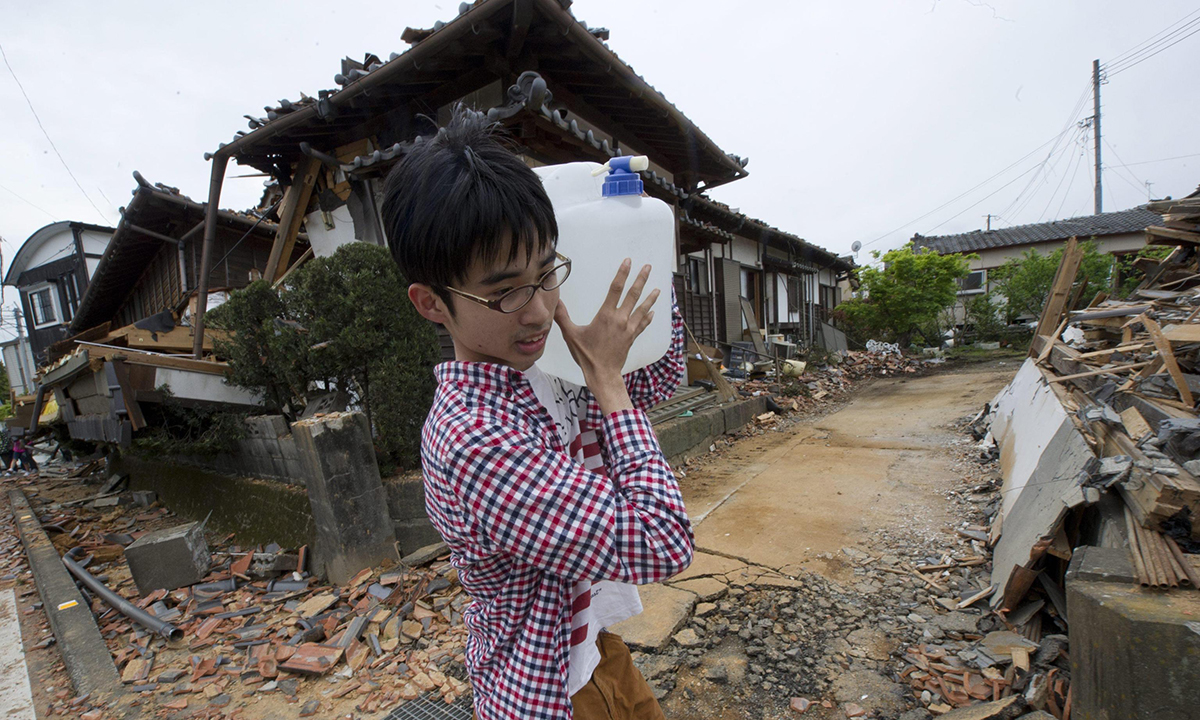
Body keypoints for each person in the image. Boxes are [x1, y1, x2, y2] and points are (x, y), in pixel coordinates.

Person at [381, 106, 693, 720]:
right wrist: (605, 378)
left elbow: (658, 376)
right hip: (547, 686)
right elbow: (662, 542)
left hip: (590, 647)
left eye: (547, 271)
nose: (540, 309)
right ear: (431, 304)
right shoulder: (474, 440)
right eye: (504, 291)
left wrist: (636, 246)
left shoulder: (536, 364)